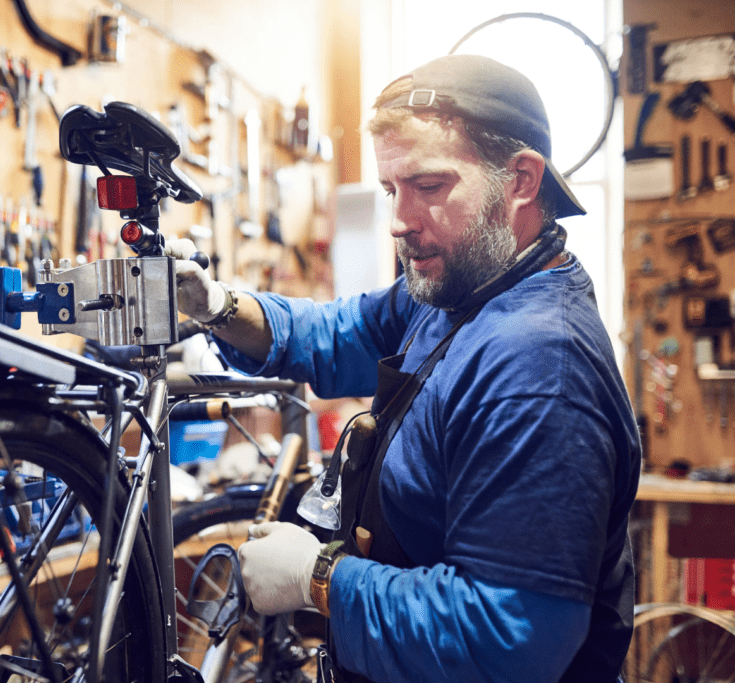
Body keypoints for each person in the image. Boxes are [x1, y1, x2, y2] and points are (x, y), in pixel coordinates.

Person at [167, 54, 641, 683]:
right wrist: (220, 307)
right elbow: (341, 335)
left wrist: (319, 579)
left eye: (429, 187)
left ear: (522, 180)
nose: (398, 221)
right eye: (392, 189)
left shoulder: (539, 369)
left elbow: (511, 637)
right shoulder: (463, 287)